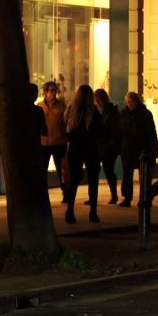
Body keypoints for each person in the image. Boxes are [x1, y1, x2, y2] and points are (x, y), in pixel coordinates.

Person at [63, 83, 101, 223]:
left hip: (75, 148)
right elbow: (99, 131)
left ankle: (70, 210)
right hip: (90, 149)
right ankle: (93, 212)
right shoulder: (93, 111)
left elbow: (66, 130)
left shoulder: (71, 110)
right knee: (93, 180)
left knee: (74, 180)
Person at [118, 91, 158, 207]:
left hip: (142, 149)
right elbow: (120, 132)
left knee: (145, 176)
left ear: (137, 101)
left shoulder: (145, 114)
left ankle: (145, 198)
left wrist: (154, 149)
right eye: (128, 102)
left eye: (132, 102)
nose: (130, 104)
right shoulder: (124, 114)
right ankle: (127, 198)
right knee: (127, 175)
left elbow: (152, 132)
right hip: (128, 149)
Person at [95, 88, 122, 204]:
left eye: (99, 99)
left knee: (108, 169)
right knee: (102, 169)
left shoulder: (111, 111)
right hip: (101, 144)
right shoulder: (98, 110)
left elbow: (115, 130)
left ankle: (114, 194)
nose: (98, 102)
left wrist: (112, 144)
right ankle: (100, 196)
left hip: (109, 145)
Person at [39, 81, 67, 190]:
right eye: (51, 90)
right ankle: (41, 192)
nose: (54, 93)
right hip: (43, 143)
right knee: (42, 169)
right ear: (45, 92)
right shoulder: (40, 106)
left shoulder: (61, 106)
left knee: (61, 170)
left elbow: (65, 122)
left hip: (59, 142)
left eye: (55, 90)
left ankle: (65, 191)